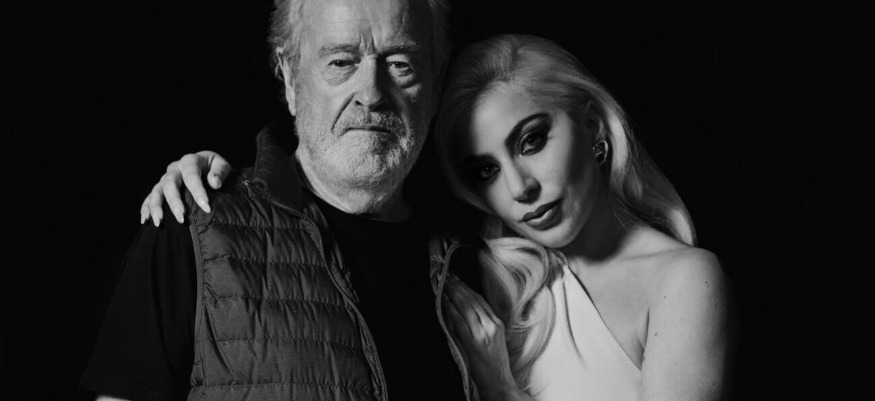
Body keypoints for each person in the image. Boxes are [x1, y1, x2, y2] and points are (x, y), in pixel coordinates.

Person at [150, 34, 734, 400]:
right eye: (485, 170)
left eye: (532, 140)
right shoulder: (490, 275)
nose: (521, 188)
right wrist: (215, 179)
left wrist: (501, 389)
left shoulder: (684, 281)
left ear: (593, 125)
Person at [81, 0, 479, 400]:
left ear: (436, 80)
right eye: (341, 62)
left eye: (400, 64)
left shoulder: (470, 258)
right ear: (290, 77)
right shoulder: (191, 225)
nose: (372, 94)